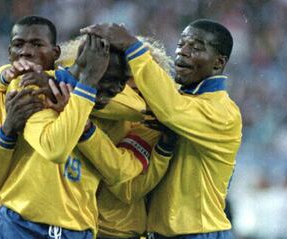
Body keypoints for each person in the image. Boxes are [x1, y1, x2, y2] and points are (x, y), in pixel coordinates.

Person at [81, 19, 242, 239]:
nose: (183, 52)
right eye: (181, 44)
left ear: (218, 62)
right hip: (159, 233)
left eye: (195, 48)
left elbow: (172, 111)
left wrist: (132, 45)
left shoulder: (223, 112)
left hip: (200, 232)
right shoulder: (170, 101)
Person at [0, 15, 113, 239]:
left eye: (36, 44)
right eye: (18, 45)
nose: (26, 51)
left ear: (55, 54)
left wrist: (64, 80)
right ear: (9, 54)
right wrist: (7, 131)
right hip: (16, 225)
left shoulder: (85, 95)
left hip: (75, 228)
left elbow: (134, 104)